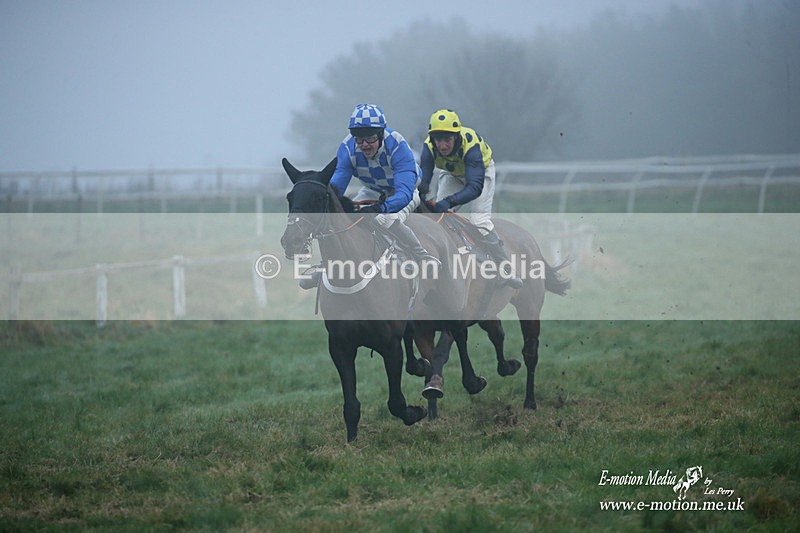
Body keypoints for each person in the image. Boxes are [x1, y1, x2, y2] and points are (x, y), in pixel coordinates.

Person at [300, 104, 438, 290]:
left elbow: (403, 194)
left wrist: (379, 208)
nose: (364, 144)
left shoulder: (397, 146)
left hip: (405, 191)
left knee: (384, 219)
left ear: (380, 134)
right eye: (359, 138)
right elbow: (335, 189)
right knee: (344, 219)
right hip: (372, 189)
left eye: (370, 138)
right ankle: (327, 265)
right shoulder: (348, 148)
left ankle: (422, 256)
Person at [419, 108, 522, 289]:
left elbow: (474, 188)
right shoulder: (428, 147)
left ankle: (505, 268)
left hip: (480, 174)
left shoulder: (470, 146)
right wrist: (422, 198)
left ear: (456, 136)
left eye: (447, 139)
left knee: (478, 221)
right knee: (438, 217)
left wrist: (449, 201)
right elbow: (424, 182)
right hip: (452, 174)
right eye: (438, 139)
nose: (442, 145)